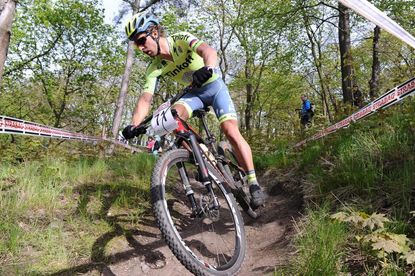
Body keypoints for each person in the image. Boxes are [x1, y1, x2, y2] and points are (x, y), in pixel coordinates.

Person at [121, 12, 264, 207]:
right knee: (172, 117)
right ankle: (204, 157)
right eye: (136, 45)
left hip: (214, 87)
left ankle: (253, 182)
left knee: (230, 131)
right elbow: (146, 99)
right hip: (193, 94)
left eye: (141, 40)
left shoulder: (179, 40)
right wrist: (134, 125)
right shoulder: (154, 67)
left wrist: (208, 68)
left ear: (154, 32)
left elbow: (208, 51)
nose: (140, 48)